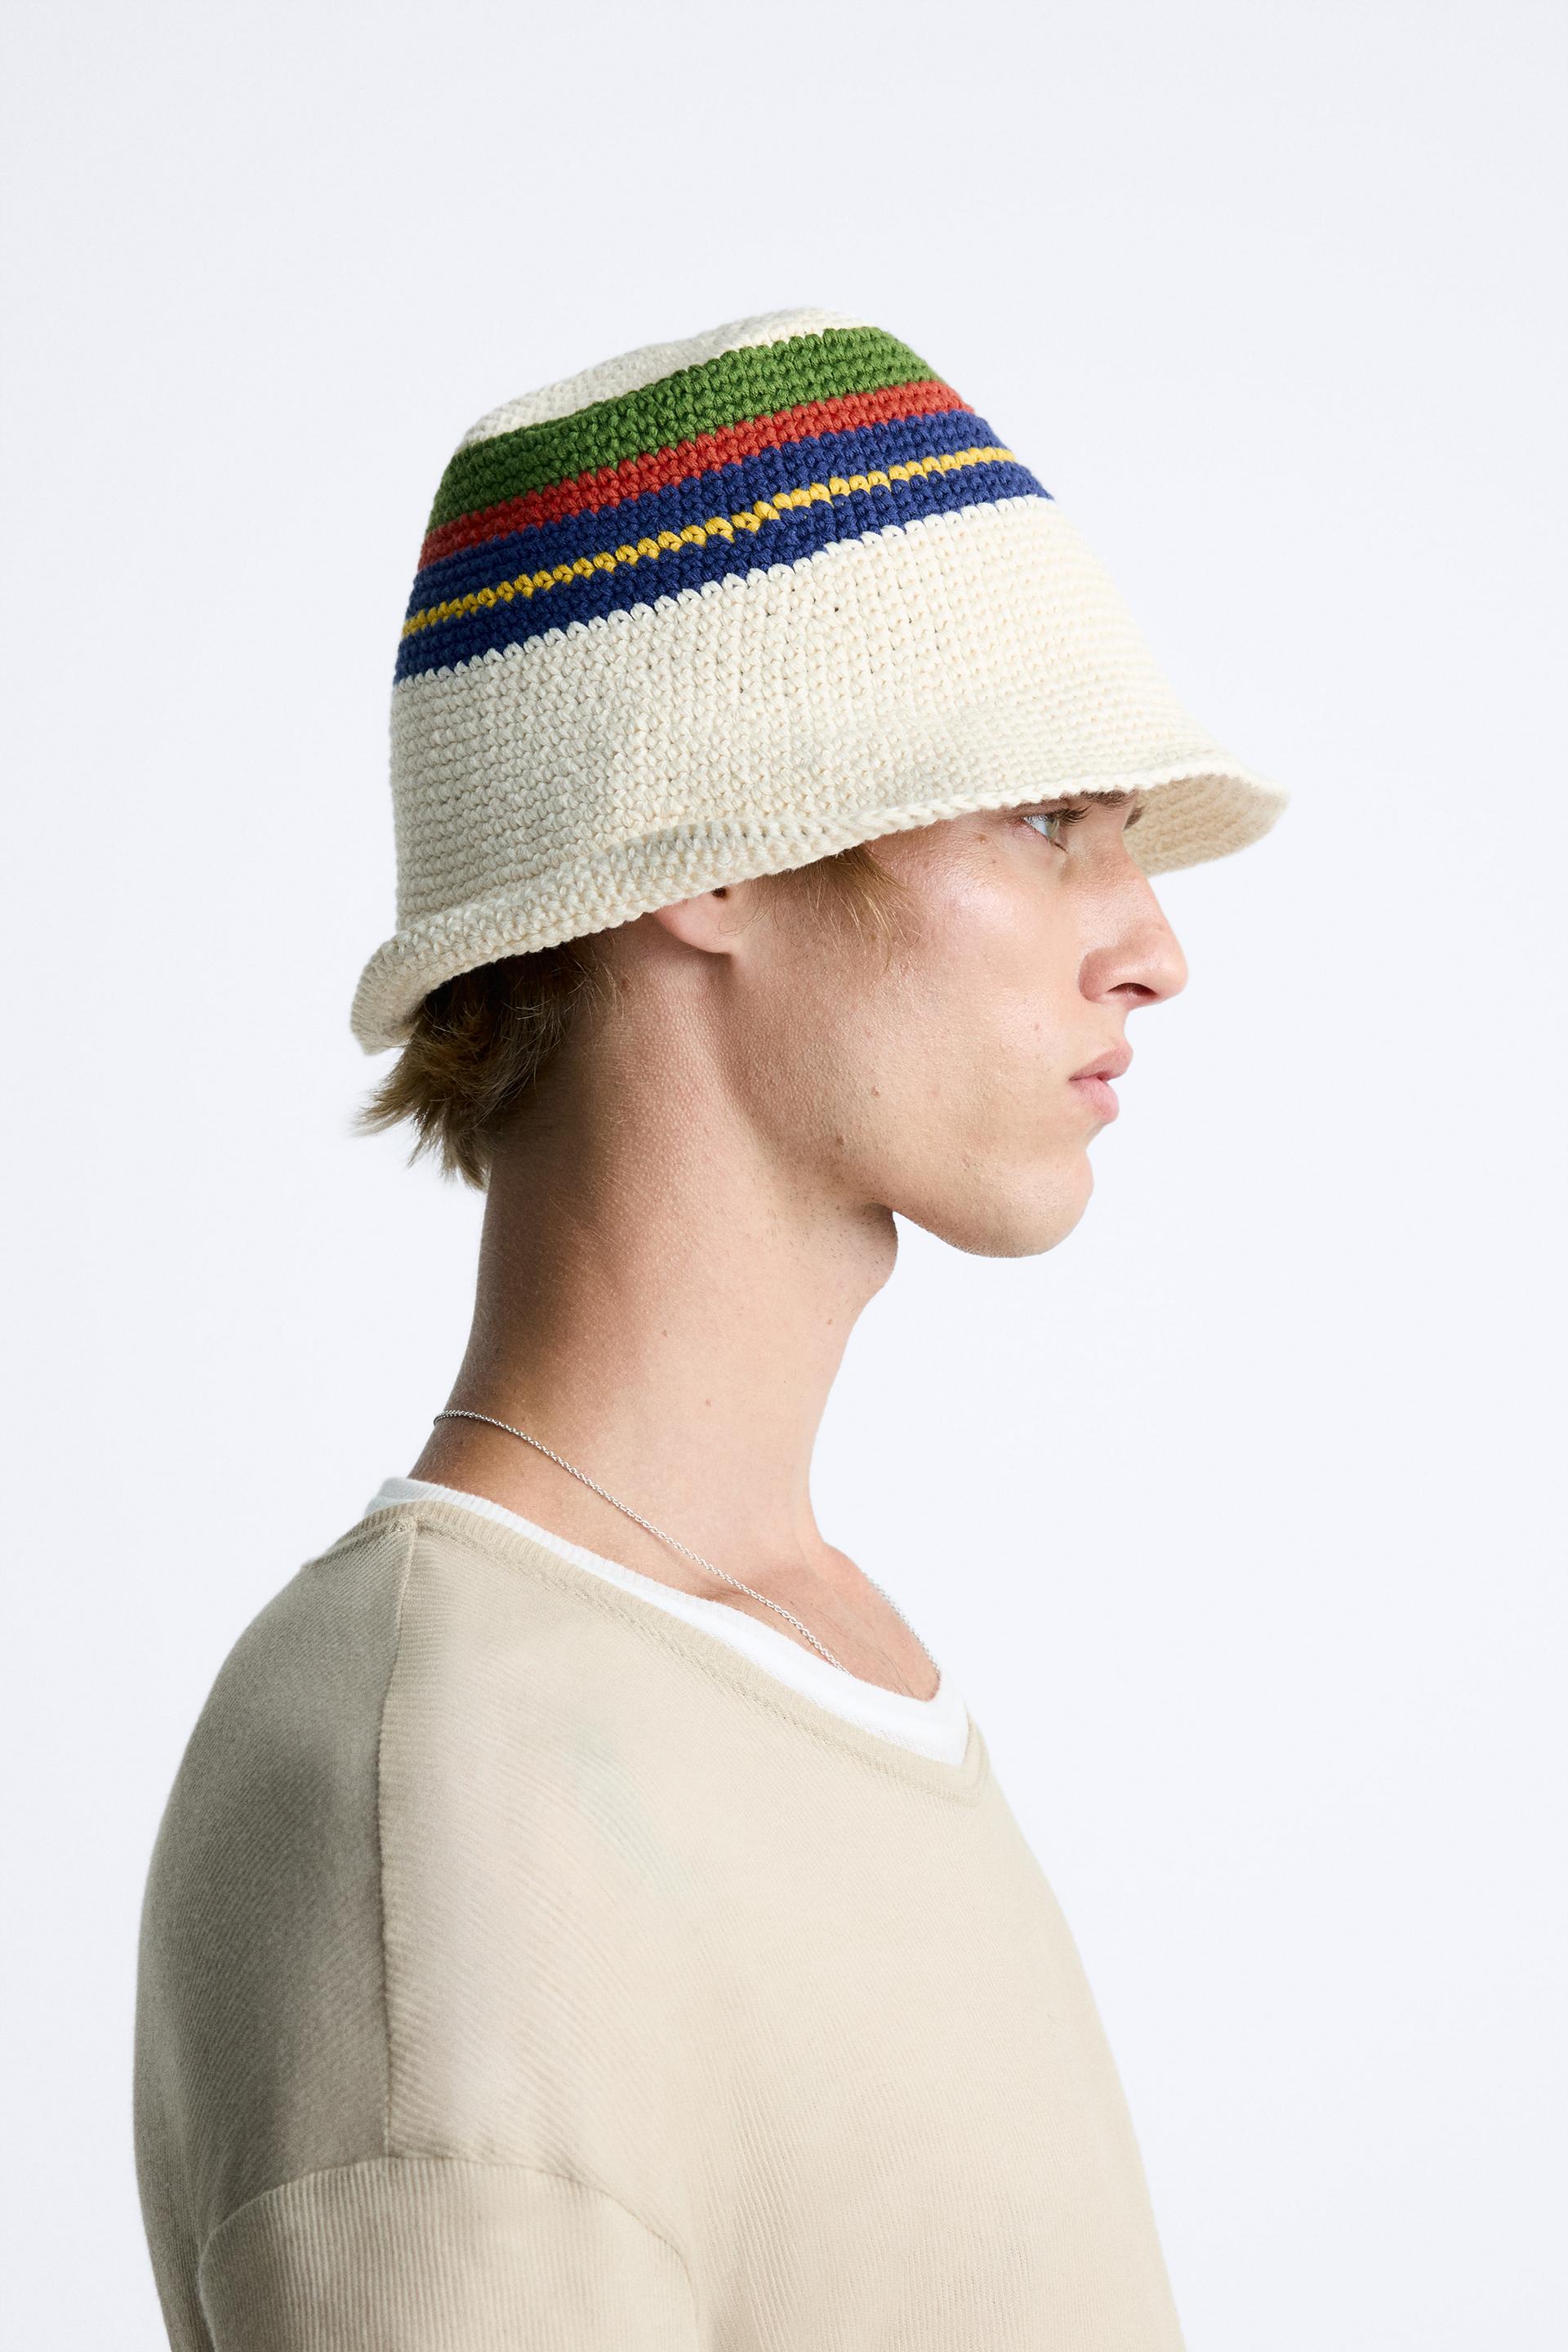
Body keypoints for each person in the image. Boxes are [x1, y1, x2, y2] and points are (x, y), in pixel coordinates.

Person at [133, 307, 1288, 2350]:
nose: (1153, 946)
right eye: (1045, 818)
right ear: (712, 862)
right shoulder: (450, 1808)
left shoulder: (812, 1659)